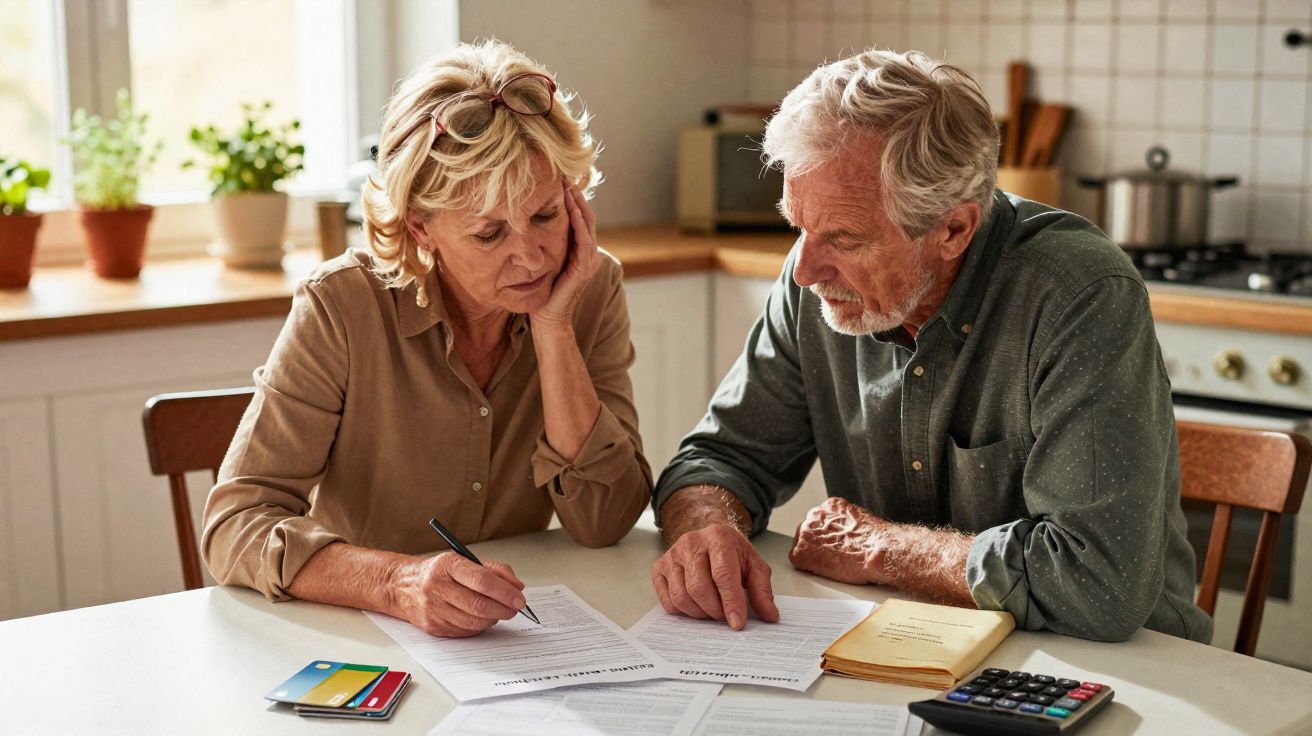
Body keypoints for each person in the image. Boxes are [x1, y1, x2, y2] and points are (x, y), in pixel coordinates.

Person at [650, 49, 1212, 644]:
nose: (806, 270)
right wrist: (707, 528)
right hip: (913, 638)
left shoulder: (1078, 295)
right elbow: (718, 462)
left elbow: (1097, 584)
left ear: (952, 230)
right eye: (798, 225)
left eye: (845, 239)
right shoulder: (816, 279)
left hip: (1119, 663)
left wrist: (884, 549)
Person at [203, 40, 652, 638]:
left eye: (546, 215)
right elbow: (235, 525)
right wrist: (398, 582)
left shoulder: (589, 287)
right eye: (489, 234)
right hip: (362, 635)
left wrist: (553, 328)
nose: (531, 257)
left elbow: (605, 521)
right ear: (420, 226)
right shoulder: (343, 305)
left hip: (515, 641)